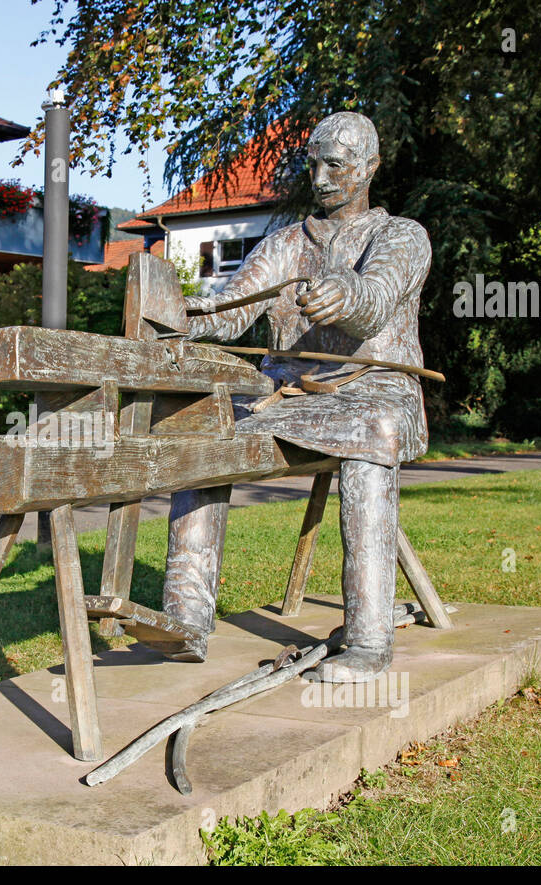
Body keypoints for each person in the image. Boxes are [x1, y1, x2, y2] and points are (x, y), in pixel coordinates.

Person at [162, 111, 432, 683]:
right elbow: (233, 308)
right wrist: (179, 318)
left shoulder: (402, 236)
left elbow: (376, 295)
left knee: (372, 433)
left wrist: (347, 294)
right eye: (314, 163)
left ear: (370, 168)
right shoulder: (288, 242)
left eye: (337, 164)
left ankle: (368, 639)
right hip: (284, 395)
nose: (322, 176)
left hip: (376, 389)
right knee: (200, 434)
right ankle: (184, 621)